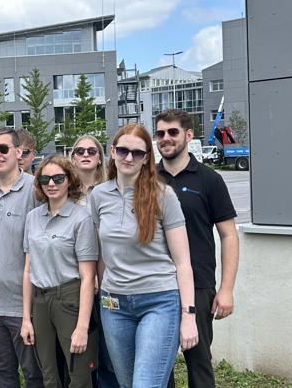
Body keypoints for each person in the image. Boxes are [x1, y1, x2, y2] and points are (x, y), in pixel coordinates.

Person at [90, 124, 198, 388]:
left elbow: (183, 262)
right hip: (114, 306)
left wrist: (189, 316)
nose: (129, 158)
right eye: (123, 150)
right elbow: (102, 254)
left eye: (137, 153)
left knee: (145, 384)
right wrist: (102, 289)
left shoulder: (164, 196)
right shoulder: (98, 196)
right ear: (112, 152)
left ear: (147, 157)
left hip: (159, 302)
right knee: (127, 384)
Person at [155, 109, 239, 388]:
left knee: (199, 363)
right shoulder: (147, 180)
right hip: (156, 285)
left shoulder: (209, 179)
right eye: (160, 133)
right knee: (158, 366)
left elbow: (228, 236)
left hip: (200, 285)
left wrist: (226, 289)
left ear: (188, 135)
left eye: (172, 132)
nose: (165, 139)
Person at [0, 127, 44, 388]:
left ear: (18, 152)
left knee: (35, 374)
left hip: (25, 302)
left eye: (3, 149)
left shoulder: (36, 189)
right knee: (0, 373)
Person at [21, 155, 98, 387]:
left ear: (69, 180)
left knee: (79, 371)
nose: (51, 183)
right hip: (40, 299)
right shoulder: (32, 218)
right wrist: (27, 318)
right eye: (45, 178)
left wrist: (82, 327)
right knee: (48, 371)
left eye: (58, 178)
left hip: (69, 298)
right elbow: (27, 270)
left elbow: (87, 276)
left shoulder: (81, 218)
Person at [69, 135, 120, 388]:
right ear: (73, 157)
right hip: (73, 282)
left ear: (100, 157)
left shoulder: (112, 190)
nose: (86, 154)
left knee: (110, 353)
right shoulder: (62, 192)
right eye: (80, 151)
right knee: (80, 351)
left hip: (108, 281)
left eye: (92, 150)